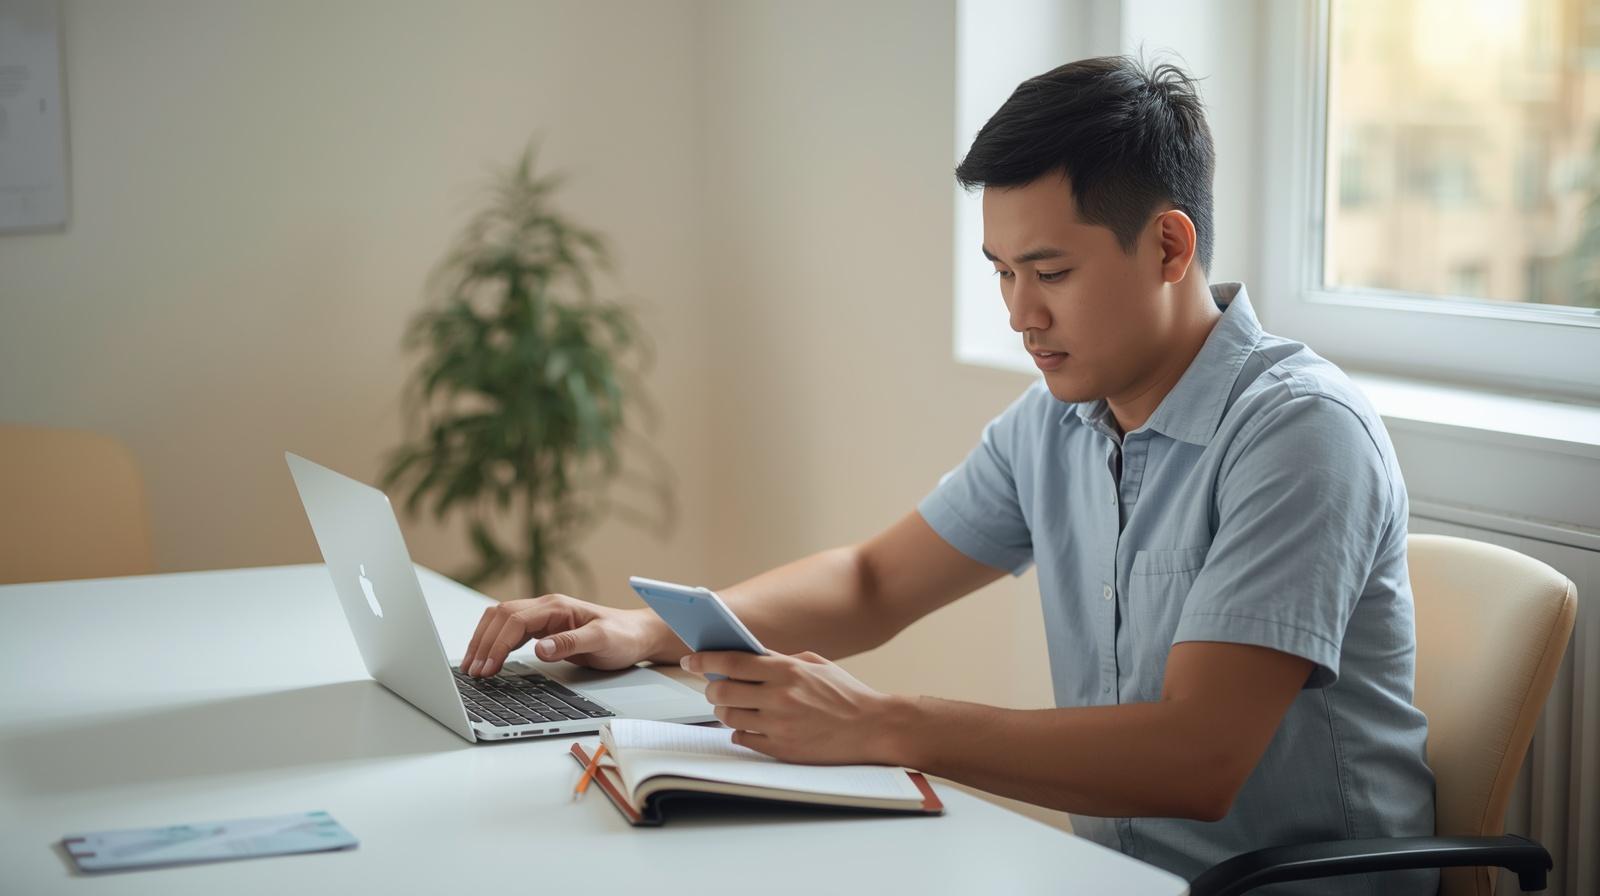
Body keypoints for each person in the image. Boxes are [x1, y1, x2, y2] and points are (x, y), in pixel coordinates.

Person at [460, 56, 1436, 893]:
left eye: (1049, 272)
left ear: (1168, 247)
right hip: (1112, 875)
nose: (1020, 312)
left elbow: (1198, 756)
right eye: (1001, 270)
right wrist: (640, 630)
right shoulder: (1056, 421)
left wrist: (885, 723)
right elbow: (872, 580)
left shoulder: (1299, 433)